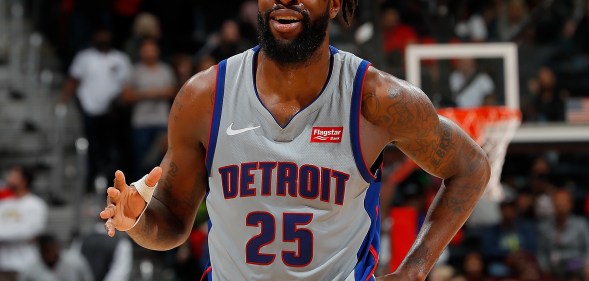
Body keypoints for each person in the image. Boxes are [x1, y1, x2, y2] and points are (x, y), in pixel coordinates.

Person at [99, 1, 491, 280]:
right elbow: (169, 222)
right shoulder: (204, 98)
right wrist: (135, 220)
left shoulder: (377, 100)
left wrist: (415, 269)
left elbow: (470, 167)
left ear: (336, 3)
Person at [60, 27, 133, 193]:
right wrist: (63, 101)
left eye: (106, 34)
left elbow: (126, 87)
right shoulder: (84, 57)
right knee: (92, 148)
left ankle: (113, 183)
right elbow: (73, 80)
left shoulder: (120, 59)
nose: (103, 37)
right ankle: (91, 180)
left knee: (113, 149)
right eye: (100, 34)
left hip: (113, 112)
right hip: (89, 110)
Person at [122, 38, 176, 178]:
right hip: (141, 122)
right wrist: (149, 93)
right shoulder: (135, 71)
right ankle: (139, 195)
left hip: (161, 122)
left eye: (152, 49)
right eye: (146, 50)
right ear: (140, 52)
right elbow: (126, 95)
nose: (149, 53)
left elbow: (173, 91)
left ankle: (160, 195)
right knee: (141, 161)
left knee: (163, 162)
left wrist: (150, 93)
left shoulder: (165, 70)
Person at [0, 166, 48, 273]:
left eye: (13, 176)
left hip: (25, 266)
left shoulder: (35, 204)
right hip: (3, 266)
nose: (8, 179)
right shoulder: (3, 204)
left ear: (23, 181)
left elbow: (28, 233)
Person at [537, 188, 589, 278]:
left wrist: (586, 264)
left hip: (576, 263)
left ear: (571, 204)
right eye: (558, 201)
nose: (561, 204)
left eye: (564, 201)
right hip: (554, 266)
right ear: (553, 204)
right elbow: (541, 252)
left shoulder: (581, 224)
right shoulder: (544, 227)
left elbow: (588, 248)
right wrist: (544, 268)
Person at [18, 234, 94, 281]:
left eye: (52, 250)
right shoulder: (31, 269)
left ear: (57, 248)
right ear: (40, 252)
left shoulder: (75, 262)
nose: (50, 254)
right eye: (46, 251)